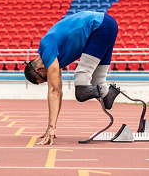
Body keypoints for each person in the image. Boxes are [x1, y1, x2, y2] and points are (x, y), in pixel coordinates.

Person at [23, 10, 121, 145]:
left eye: (45, 79)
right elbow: (59, 92)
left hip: (99, 26)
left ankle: (106, 92)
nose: (48, 80)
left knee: (81, 81)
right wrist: (53, 126)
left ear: (39, 69)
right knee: (99, 84)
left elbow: (54, 91)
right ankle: (111, 95)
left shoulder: (47, 47)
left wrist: (51, 128)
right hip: (108, 25)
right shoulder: (54, 58)